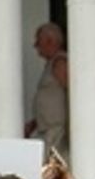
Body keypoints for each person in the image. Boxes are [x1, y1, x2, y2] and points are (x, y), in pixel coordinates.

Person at [25, 22, 69, 158]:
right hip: (49, 130)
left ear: (50, 41)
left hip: (58, 131)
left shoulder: (60, 62)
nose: (35, 46)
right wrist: (35, 122)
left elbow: (70, 94)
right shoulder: (51, 63)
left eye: (38, 42)